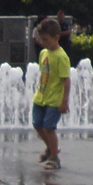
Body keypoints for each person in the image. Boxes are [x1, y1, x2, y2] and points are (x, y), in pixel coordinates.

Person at [32, 16, 70, 171]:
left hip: (55, 99)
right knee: (37, 124)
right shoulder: (43, 53)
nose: (42, 43)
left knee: (49, 128)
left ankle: (54, 158)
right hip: (40, 97)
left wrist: (64, 102)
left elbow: (66, 81)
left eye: (46, 40)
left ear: (56, 38)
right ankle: (50, 149)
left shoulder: (62, 57)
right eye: (41, 39)